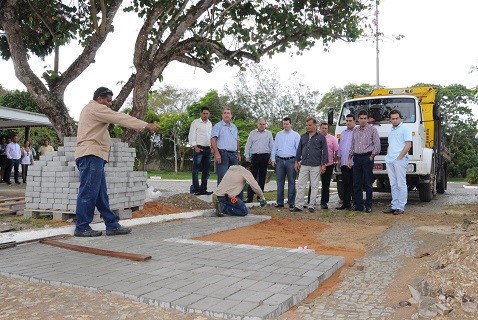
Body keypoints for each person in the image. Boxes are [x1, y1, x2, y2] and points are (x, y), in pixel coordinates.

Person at [74, 87, 158, 237]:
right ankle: (81, 227)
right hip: (91, 155)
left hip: (93, 156)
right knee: (88, 193)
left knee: (101, 195)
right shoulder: (96, 108)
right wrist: (145, 125)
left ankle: (112, 224)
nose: (109, 104)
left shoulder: (90, 110)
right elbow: (120, 118)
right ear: (99, 98)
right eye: (108, 101)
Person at [290, 118, 328, 213]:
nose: (308, 127)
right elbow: (299, 150)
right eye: (306, 125)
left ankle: (311, 205)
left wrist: (323, 164)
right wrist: (296, 162)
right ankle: (299, 205)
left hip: (315, 165)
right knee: (300, 185)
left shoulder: (321, 137)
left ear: (315, 125)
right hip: (304, 164)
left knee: (314, 185)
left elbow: (325, 152)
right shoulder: (303, 137)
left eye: (310, 125)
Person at [348, 110, 381, 213]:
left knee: (368, 183)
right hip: (356, 158)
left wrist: (371, 156)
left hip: (367, 158)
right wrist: (349, 158)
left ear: (367, 119)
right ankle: (359, 205)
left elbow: (377, 145)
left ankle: (369, 205)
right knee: (356, 183)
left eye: (364, 118)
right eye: (361, 118)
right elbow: (352, 145)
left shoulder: (372, 130)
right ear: (358, 119)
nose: (363, 120)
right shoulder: (355, 130)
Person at [382, 109, 412, 215]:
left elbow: (408, 145)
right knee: (393, 184)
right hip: (390, 159)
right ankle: (394, 206)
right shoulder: (390, 130)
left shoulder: (405, 128)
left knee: (401, 184)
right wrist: (388, 156)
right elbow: (390, 144)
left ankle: (401, 206)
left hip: (399, 160)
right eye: (393, 119)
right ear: (390, 120)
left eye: (396, 118)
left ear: (400, 118)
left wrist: (400, 157)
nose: (395, 120)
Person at [270, 117, 300, 208]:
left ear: (291, 124)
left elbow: (299, 149)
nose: (285, 125)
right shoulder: (279, 134)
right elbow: (274, 147)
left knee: (291, 182)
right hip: (279, 160)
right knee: (279, 182)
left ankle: (291, 202)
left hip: (291, 161)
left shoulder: (296, 135)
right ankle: (280, 202)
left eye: (287, 124)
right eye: (284, 124)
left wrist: (298, 161)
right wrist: (273, 159)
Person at [244, 118, 274, 203]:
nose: (262, 126)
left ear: (265, 125)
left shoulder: (269, 134)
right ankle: (249, 197)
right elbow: (248, 145)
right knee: (251, 177)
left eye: (263, 124)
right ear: (257, 124)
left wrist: (272, 158)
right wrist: (247, 157)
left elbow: (272, 146)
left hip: (265, 157)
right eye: (260, 124)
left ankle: (260, 197)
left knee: (262, 178)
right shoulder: (252, 133)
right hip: (255, 157)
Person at [210, 108, 240, 185]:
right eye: (225, 113)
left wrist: (238, 152)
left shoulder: (234, 127)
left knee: (234, 177)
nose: (226, 115)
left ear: (231, 115)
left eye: (228, 113)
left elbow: (237, 140)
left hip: (233, 155)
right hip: (222, 154)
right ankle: (222, 197)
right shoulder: (218, 126)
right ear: (222, 115)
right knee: (223, 176)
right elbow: (213, 140)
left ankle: (231, 196)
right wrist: (216, 153)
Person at [188, 107, 213, 195]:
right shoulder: (195, 122)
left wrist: (212, 147)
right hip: (198, 148)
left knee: (206, 171)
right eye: (204, 113)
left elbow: (210, 136)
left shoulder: (210, 123)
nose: (205, 115)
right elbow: (191, 135)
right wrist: (195, 147)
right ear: (200, 113)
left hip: (208, 149)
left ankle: (203, 190)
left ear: (209, 114)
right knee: (196, 170)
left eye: (207, 113)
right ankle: (195, 189)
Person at [336, 114, 356, 210]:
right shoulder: (343, 133)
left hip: (354, 162)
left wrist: (351, 158)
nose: (348, 122)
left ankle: (355, 203)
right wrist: (339, 159)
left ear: (354, 121)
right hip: (344, 162)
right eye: (347, 121)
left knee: (354, 183)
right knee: (346, 183)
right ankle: (346, 203)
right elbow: (340, 147)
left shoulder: (357, 132)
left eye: (350, 120)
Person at [319, 122, 339, 209]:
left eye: (326, 128)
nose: (324, 130)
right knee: (313, 183)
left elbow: (337, 150)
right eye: (322, 128)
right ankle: (310, 201)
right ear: (320, 128)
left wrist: (335, 159)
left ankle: (324, 202)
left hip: (329, 164)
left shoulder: (332, 139)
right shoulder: (316, 137)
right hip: (317, 164)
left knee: (326, 184)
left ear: (328, 129)